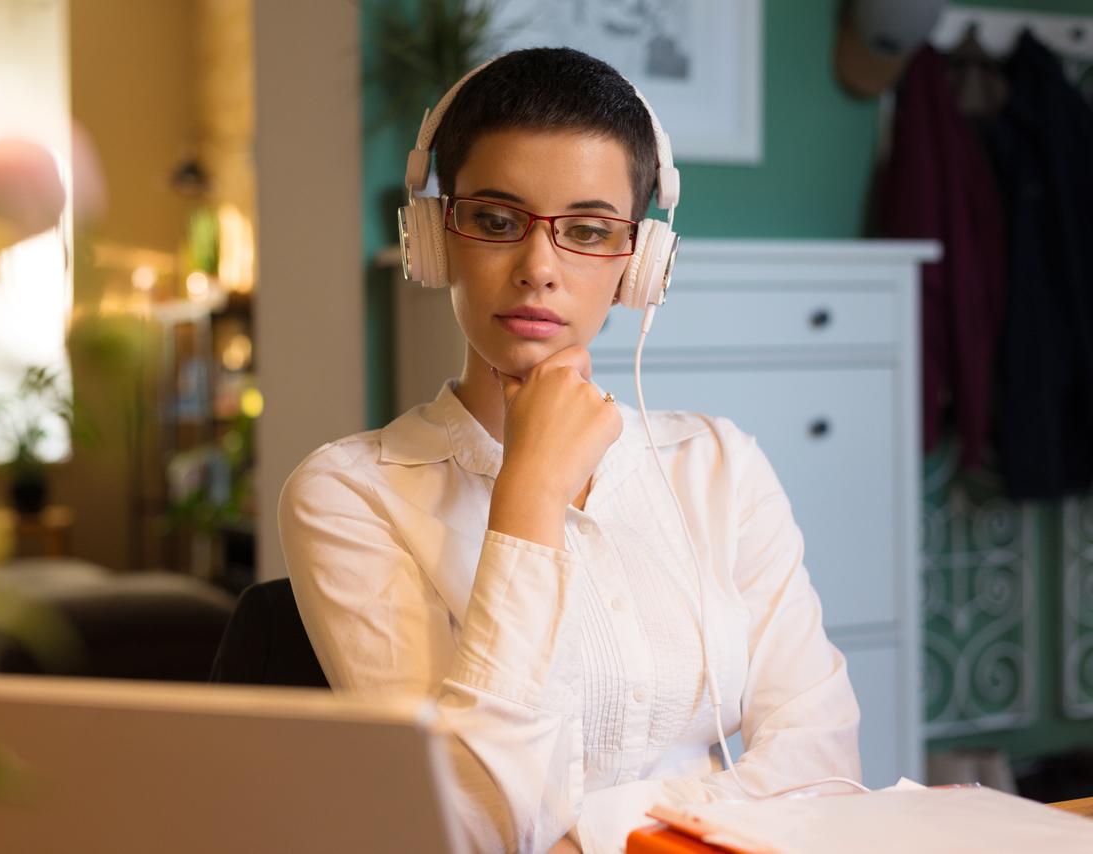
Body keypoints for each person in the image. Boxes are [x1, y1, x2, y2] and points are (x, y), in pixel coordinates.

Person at [278, 47, 861, 854]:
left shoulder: (719, 466)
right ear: (435, 238)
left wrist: (588, 831)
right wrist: (531, 489)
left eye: (588, 231)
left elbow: (824, 767)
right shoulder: (348, 494)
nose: (539, 269)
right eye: (495, 220)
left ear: (639, 265)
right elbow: (472, 826)